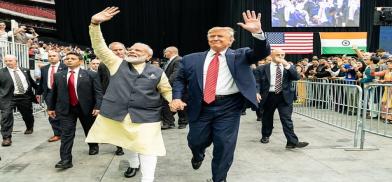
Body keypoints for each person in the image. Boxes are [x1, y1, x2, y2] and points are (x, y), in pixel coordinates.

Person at [170, 10, 270, 182]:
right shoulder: (190, 59)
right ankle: (198, 154)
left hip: (229, 107)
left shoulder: (241, 55)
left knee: (224, 145)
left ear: (231, 40)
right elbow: (179, 79)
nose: (215, 39)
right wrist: (177, 97)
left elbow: (260, 53)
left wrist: (257, 33)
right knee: (195, 141)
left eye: (220, 36)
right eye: (212, 36)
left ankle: (219, 178)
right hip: (200, 106)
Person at [86, 7, 172, 182]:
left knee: (148, 147)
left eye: (138, 51)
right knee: (126, 142)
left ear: (148, 57)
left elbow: (166, 90)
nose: (132, 51)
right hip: (118, 114)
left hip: (147, 116)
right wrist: (95, 24)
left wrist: (173, 101)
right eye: (131, 49)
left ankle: (147, 179)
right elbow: (100, 47)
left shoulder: (157, 71)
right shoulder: (116, 63)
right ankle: (133, 164)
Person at [47, 52, 102, 169]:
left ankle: (93, 145)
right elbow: (53, 93)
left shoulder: (90, 75)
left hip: (86, 108)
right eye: (67, 58)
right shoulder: (58, 75)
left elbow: (98, 92)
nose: (69, 60)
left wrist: (97, 107)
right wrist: (50, 108)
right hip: (66, 109)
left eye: (73, 58)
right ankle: (65, 160)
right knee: (66, 134)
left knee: (89, 129)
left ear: (80, 61)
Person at [254, 49, 308, 149]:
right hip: (269, 96)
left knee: (286, 119)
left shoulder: (288, 67)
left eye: (282, 55)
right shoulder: (262, 68)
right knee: (267, 117)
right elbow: (256, 82)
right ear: (271, 55)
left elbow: (296, 77)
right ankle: (265, 135)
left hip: (284, 96)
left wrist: (286, 65)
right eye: (278, 55)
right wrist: (256, 92)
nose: (280, 56)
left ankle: (292, 142)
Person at [0, 54, 38, 146]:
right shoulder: (1, 72)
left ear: (16, 61)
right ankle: (6, 138)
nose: (8, 62)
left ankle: (29, 127)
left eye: (10, 60)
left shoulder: (25, 70)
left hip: (24, 96)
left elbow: (31, 83)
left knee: (27, 114)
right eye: (6, 61)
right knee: (6, 116)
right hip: (8, 98)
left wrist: (40, 90)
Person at [97, 42, 127, 156]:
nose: (119, 52)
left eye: (120, 49)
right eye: (115, 50)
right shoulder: (103, 65)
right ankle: (119, 146)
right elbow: (99, 84)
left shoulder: (133, 63)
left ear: (125, 50)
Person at [36, 50, 67, 142]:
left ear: (59, 57)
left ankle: (66, 132)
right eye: (50, 56)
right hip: (49, 94)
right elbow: (42, 82)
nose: (52, 57)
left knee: (64, 114)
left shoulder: (65, 67)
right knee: (52, 114)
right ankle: (57, 134)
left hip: (63, 94)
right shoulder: (44, 69)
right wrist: (38, 93)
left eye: (54, 56)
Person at [161, 46, 188, 129]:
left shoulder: (178, 60)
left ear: (170, 52)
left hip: (175, 87)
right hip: (170, 87)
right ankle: (169, 122)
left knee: (180, 105)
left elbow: (176, 75)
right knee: (166, 104)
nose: (164, 54)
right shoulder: (171, 61)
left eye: (165, 52)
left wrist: (166, 84)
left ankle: (183, 122)